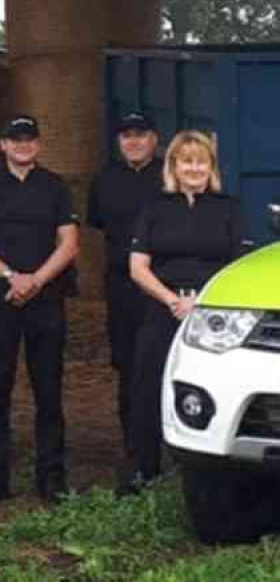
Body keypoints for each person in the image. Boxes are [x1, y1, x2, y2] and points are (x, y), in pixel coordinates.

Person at [125, 130, 249, 493]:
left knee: (214, 388)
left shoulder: (229, 208)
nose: (193, 168)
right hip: (162, 308)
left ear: (210, 167)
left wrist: (200, 302)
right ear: (174, 166)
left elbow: (236, 265)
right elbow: (138, 267)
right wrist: (172, 300)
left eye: (201, 161)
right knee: (146, 386)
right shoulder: (155, 208)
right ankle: (142, 470)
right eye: (186, 161)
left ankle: (213, 475)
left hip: (214, 316)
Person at [0, 115, 79, 503]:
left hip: (45, 299)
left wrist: (37, 280)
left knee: (48, 390)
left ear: (39, 145)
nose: (22, 145)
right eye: (15, 139)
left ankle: (52, 476)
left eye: (29, 139)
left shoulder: (54, 186)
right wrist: (12, 276)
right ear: (2, 144)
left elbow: (68, 243)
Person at [87, 112, 164, 460]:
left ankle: (171, 443)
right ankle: (134, 446)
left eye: (140, 135)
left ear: (154, 139)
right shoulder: (104, 179)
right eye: (126, 136)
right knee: (128, 364)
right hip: (121, 285)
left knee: (163, 362)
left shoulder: (169, 176)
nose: (133, 142)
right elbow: (99, 224)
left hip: (164, 285)